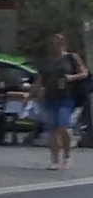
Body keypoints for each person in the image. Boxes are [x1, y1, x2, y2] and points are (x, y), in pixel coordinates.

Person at [38, 33, 82, 169]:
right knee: (53, 129)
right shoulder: (46, 61)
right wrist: (29, 96)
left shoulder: (71, 58)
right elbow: (39, 80)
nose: (53, 46)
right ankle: (55, 159)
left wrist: (71, 78)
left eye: (57, 43)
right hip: (50, 97)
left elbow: (84, 73)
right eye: (51, 43)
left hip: (66, 97)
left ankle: (67, 155)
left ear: (63, 44)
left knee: (63, 126)